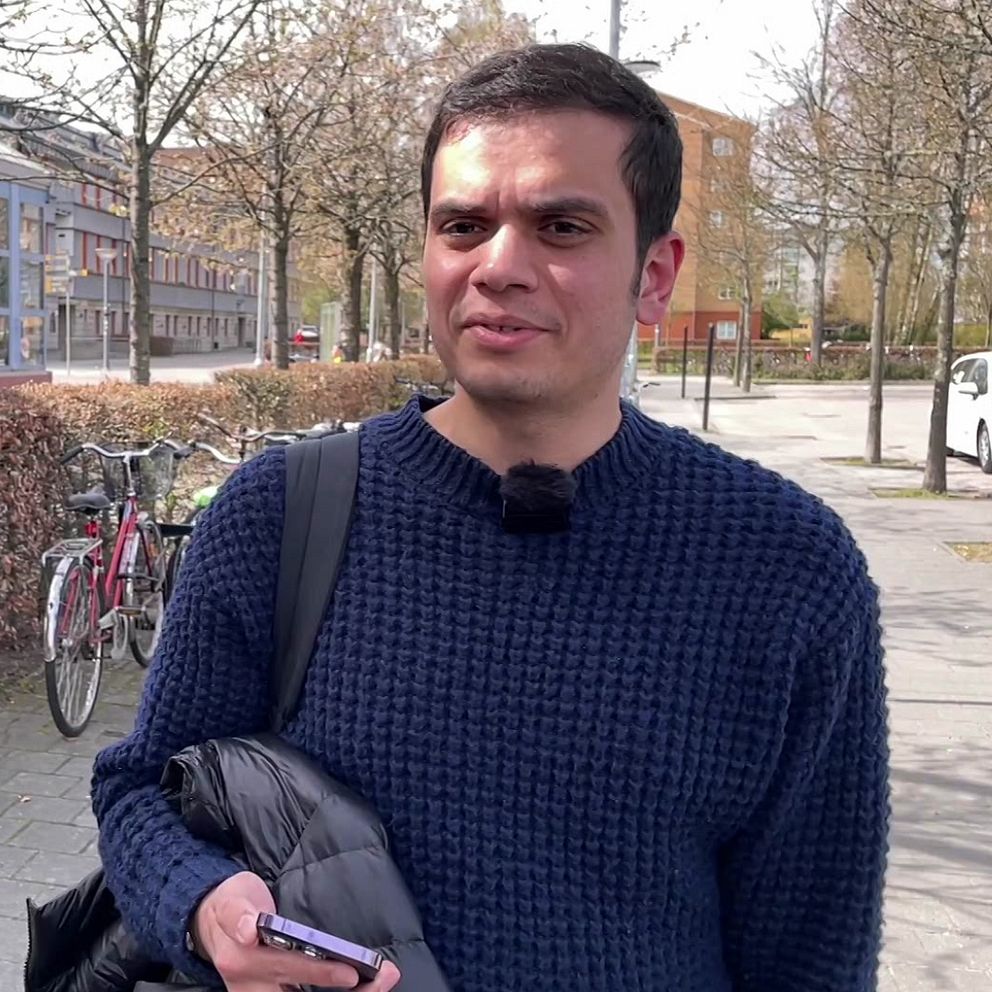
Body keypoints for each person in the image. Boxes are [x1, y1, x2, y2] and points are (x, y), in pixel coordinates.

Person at [92, 43, 889, 992]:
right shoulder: (277, 517)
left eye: (562, 226)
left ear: (654, 274)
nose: (499, 265)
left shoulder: (787, 566)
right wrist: (198, 901)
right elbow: (141, 789)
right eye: (464, 225)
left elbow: (813, 953)